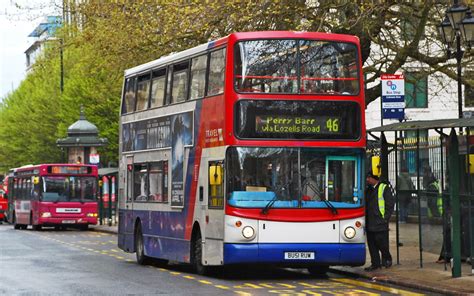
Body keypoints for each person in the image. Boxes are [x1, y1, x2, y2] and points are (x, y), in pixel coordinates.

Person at [364, 171, 395, 271]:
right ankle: (375, 263)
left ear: (374, 178)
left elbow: (390, 204)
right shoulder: (368, 190)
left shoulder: (384, 188)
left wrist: (385, 218)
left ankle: (386, 259)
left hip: (380, 221)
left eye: (369, 177)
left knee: (382, 243)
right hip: (370, 221)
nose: (367, 180)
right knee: (372, 244)